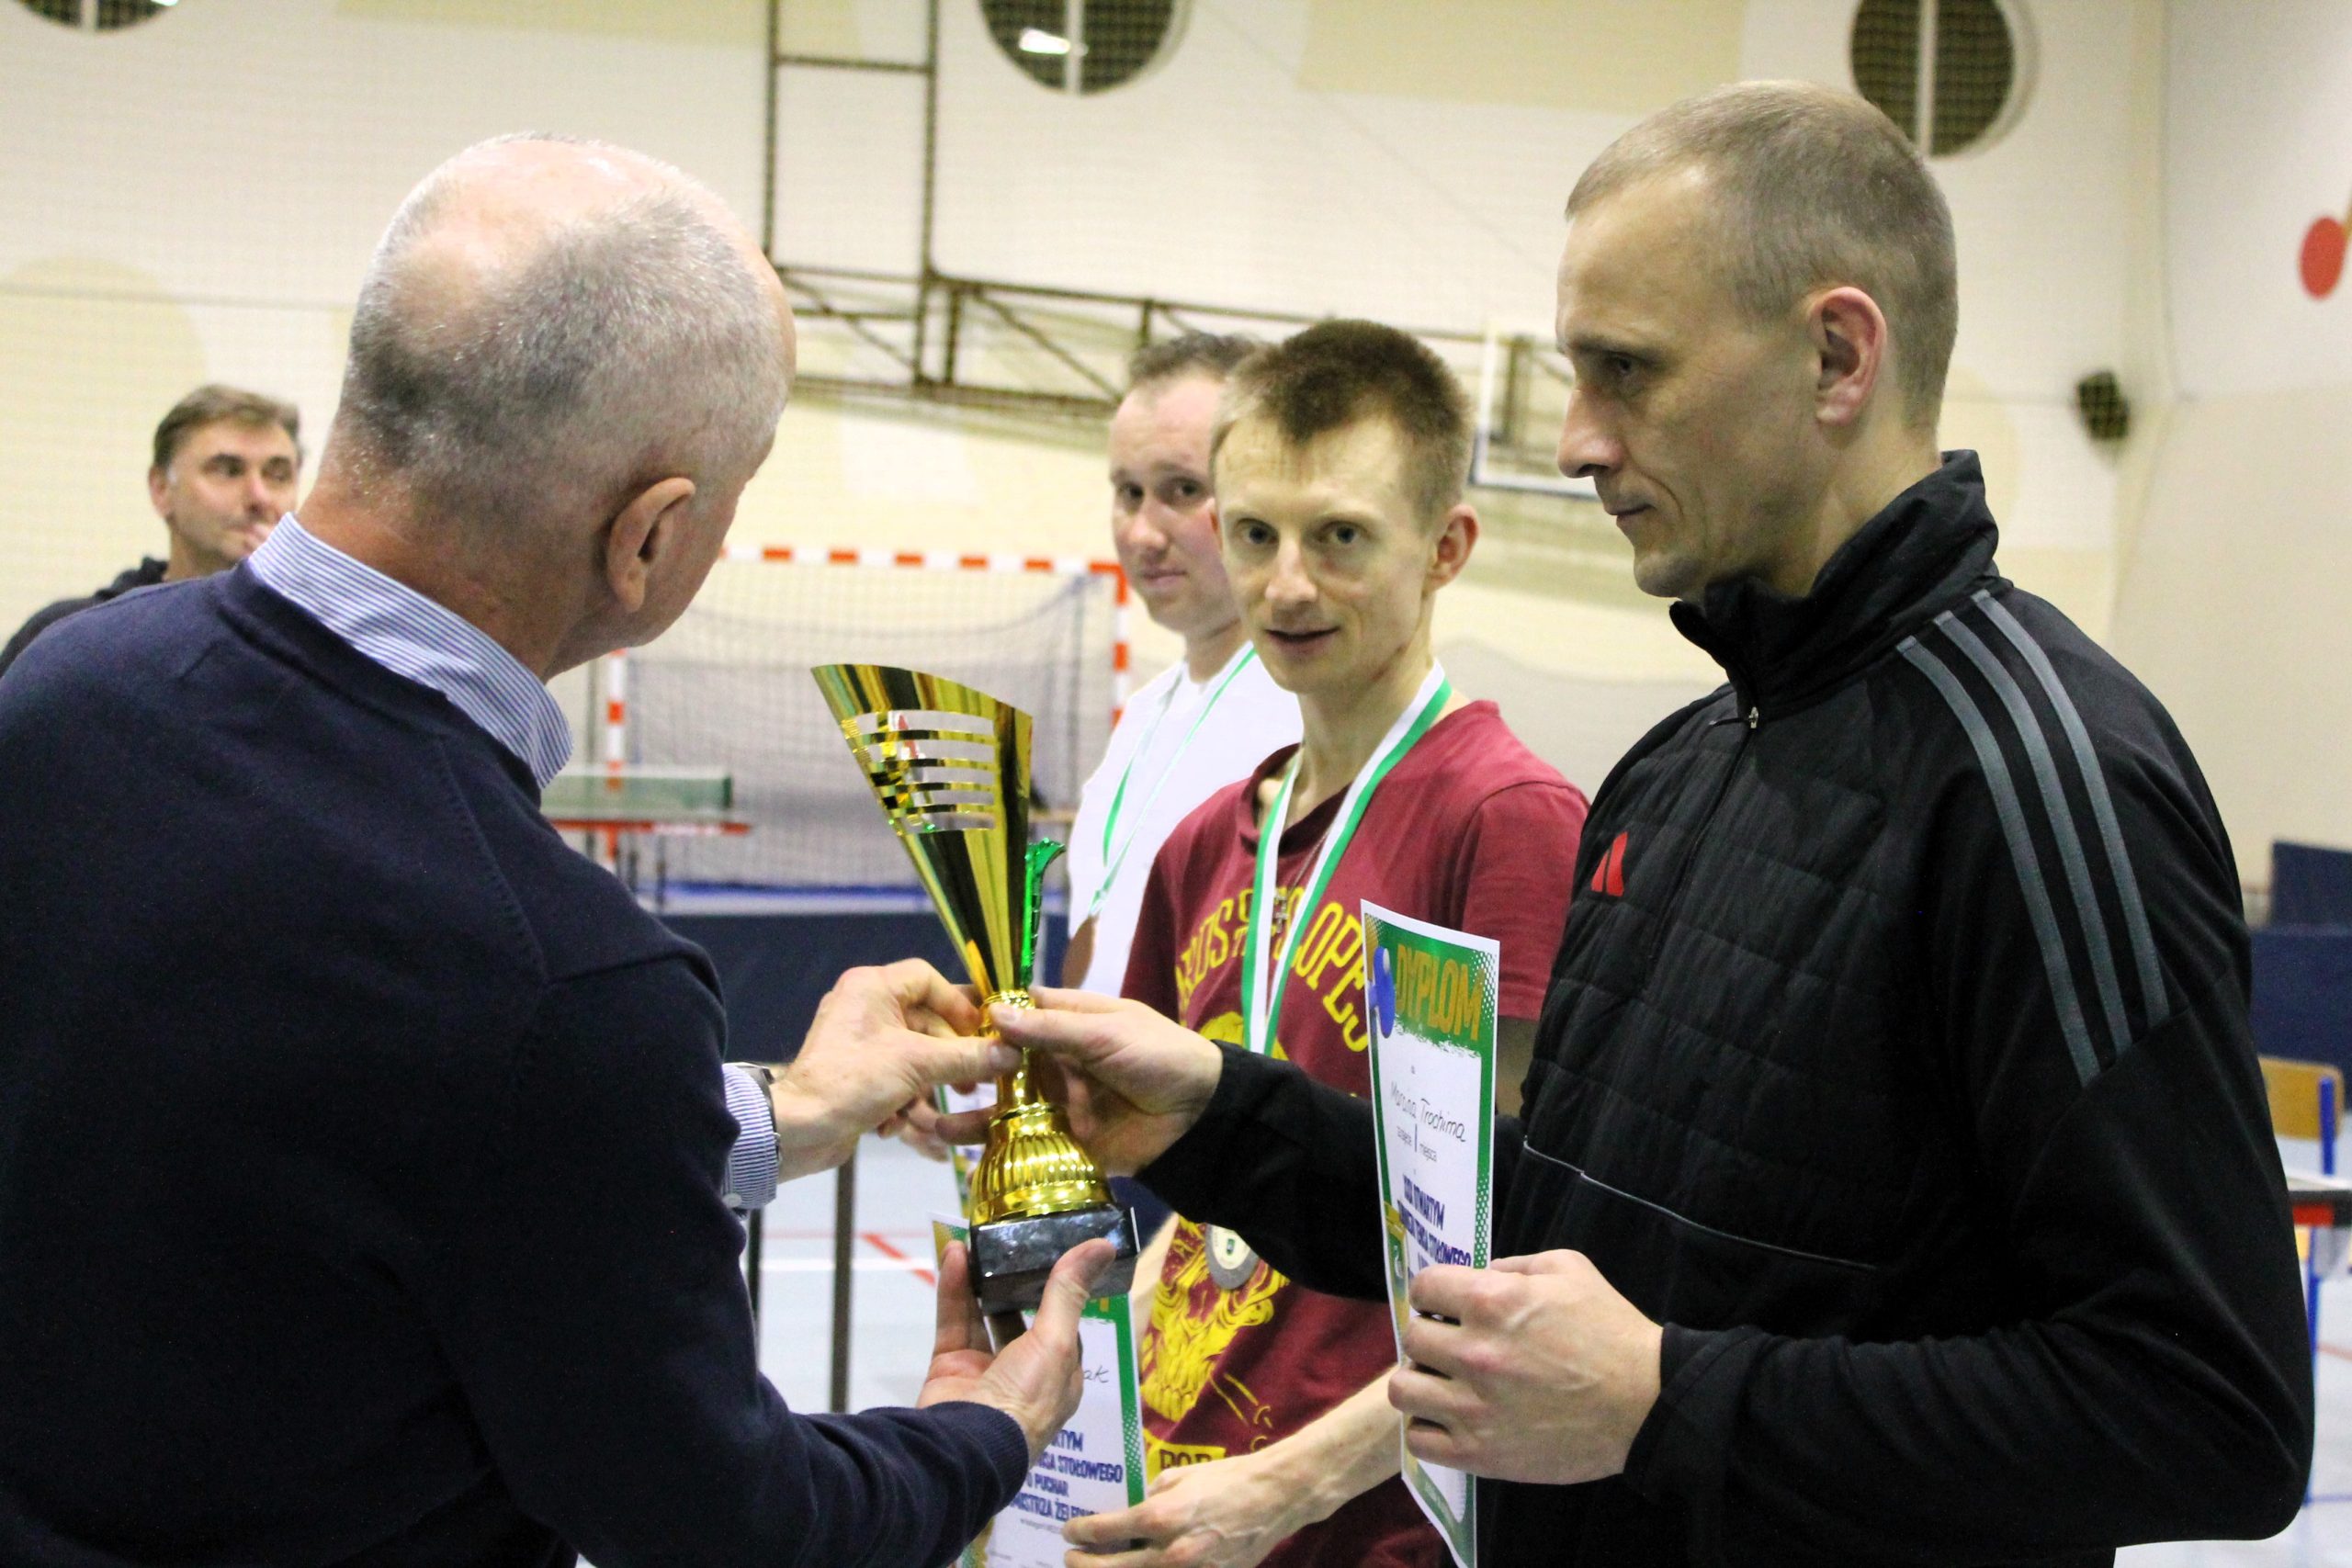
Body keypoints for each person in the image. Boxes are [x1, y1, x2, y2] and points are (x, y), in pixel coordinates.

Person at [967, 83, 2312, 1565]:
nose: (1578, 440)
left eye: (1626, 372)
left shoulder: (2046, 778)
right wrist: (1218, 1114)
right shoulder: (1678, 772)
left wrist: (1668, 1400)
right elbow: (1548, 1221)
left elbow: (2209, 1408)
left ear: (1837, 358)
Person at [0, 133, 1108, 1567]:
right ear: (647, 537)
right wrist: (983, 1424)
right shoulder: (559, 975)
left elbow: (317, 1121)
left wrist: (763, 1109)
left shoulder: (60, 690)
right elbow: (729, 1524)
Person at [1067, 321, 1588, 1568]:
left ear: (1445, 546)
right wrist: (1093, 1411)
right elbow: (1202, 1204)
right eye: (1256, 534)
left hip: (1359, 1522)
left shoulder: (1506, 821)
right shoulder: (1206, 840)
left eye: (1340, 537)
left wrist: (1288, 1487)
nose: (1288, 585)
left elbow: (1517, 1255)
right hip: (1186, 1487)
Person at [1061, 332, 1300, 998]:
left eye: (1183, 489)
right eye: (1129, 491)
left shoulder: (1309, 718)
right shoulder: (1145, 712)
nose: (1142, 533)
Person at [0, 382, 301, 680]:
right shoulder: (70, 637)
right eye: (228, 471)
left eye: (278, 475)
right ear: (161, 490)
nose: (260, 497)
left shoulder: (311, 638)